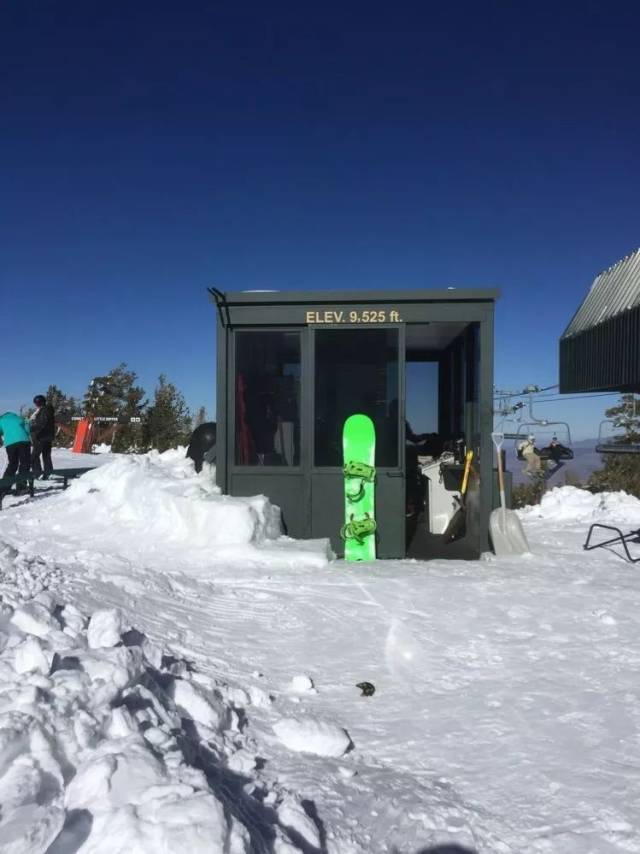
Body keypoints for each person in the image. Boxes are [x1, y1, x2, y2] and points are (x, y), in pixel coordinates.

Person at [0, 412, 32, 488]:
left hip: (10, 443)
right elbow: (28, 430)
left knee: (12, 464)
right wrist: (27, 423)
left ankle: (4, 487)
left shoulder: (1, 420)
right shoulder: (19, 418)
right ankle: (21, 486)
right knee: (25, 463)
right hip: (24, 441)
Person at [30, 394, 55, 478]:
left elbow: (42, 424)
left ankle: (38, 473)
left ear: (39, 403)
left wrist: (34, 430)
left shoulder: (44, 411)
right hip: (48, 436)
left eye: (36, 403)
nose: (35, 405)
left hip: (41, 437)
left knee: (34, 456)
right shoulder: (48, 410)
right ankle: (48, 473)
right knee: (46, 455)